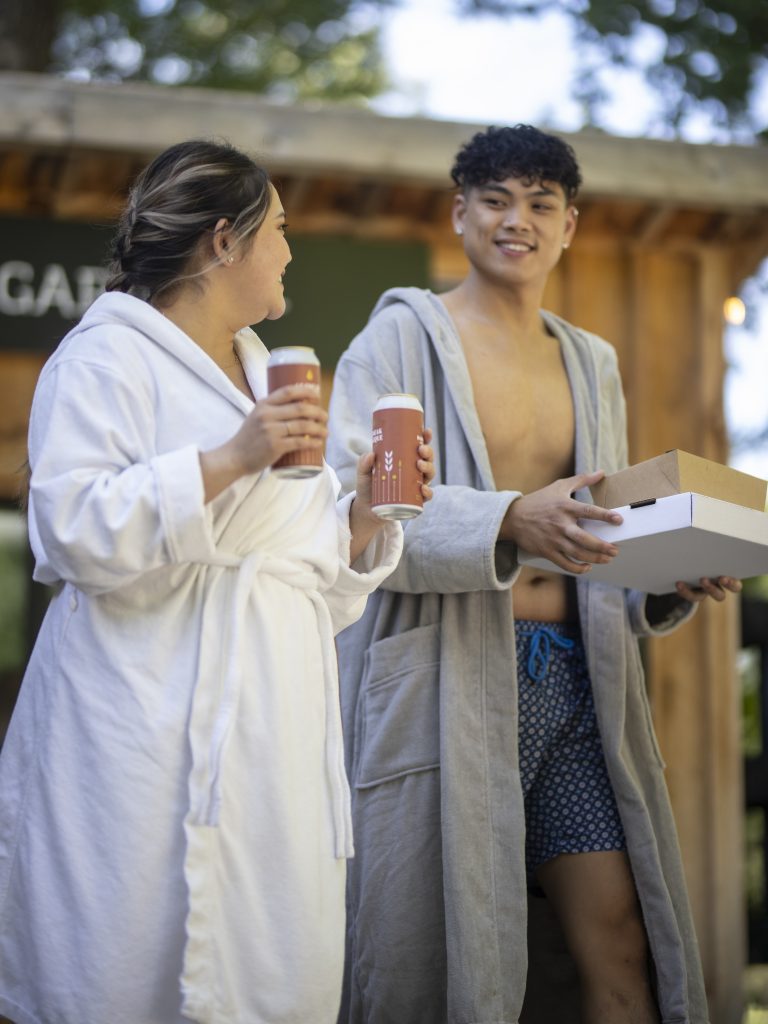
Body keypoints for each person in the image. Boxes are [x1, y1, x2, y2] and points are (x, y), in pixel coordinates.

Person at [0, 139, 434, 1024]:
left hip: (270, 742)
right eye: (278, 229)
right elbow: (71, 528)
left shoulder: (261, 372)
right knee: (121, 974)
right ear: (225, 241)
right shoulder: (102, 361)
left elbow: (302, 574)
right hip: (140, 725)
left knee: (262, 973)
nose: (289, 250)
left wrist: (363, 516)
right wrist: (235, 456)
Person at [326, 124, 741, 1024]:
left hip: (575, 681)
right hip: (449, 682)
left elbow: (600, 533)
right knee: (442, 961)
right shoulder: (400, 339)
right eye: (497, 200)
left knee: (623, 935)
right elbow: (352, 513)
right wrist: (510, 515)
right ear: (460, 213)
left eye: (540, 204)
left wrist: (669, 575)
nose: (518, 220)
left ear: (569, 226)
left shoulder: (592, 362)